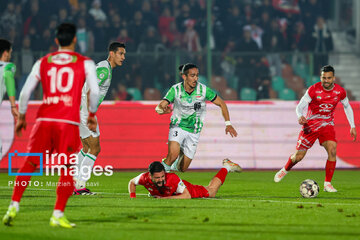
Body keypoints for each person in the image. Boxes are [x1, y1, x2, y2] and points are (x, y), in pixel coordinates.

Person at [2, 23, 100, 228]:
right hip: (67, 123)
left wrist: (21, 116)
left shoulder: (43, 61)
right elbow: (95, 92)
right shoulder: (85, 63)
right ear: (75, 40)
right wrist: (91, 114)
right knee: (67, 168)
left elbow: (25, 92)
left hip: (44, 121)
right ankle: (57, 214)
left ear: (56, 41)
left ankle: (14, 205)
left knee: (30, 163)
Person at [274, 65, 356, 192]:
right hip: (310, 126)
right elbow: (299, 107)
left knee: (332, 150)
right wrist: (300, 116)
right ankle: (285, 169)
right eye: (324, 78)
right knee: (298, 157)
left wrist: (352, 125)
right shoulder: (313, 89)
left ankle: (327, 184)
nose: (326, 80)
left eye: (329, 78)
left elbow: (347, 106)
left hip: (327, 125)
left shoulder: (340, 91)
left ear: (333, 78)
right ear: (321, 77)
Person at [156, 63, 238, 173]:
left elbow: (222, 104)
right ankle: (158, 182)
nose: (196, 78)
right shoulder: (175, 89)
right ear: (184, 76)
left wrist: (228, 124)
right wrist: (162, 109)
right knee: (172, 155)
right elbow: (161, 105)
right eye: (192, 75)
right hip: (178, 126)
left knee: (182, 168)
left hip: (194, 131)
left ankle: (172, 162)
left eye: (197, 75)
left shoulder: (203, 90)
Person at [74, 42, 126, 195]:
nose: (123, 57)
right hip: (85, 111)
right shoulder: (104, 69)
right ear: (112, 53)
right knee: (95, 148)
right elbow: (91, 90)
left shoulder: (104, 67)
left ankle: (74, 183)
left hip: (80, 109)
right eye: (120, 54)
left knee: (86, 148)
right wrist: (91, 115)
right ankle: (80, 185)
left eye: (124, 54)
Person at [128, 159, 241, 199]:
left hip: (186, 189)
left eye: (163, 176)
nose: (161, 179)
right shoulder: (143, 177)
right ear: (150, 176)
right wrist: (133, 197)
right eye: (157, 178)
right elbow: (131, 182)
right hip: (172, 192)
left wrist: (165, 199)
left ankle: (226, 166)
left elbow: (187, 196)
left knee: (211, 191)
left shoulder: (172, 179)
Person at [0, 39, 19, 160]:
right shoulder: (8, 66)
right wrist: (13, 105)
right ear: (6, 53)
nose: (10, 56)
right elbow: (9, 79)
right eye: (10, 52)